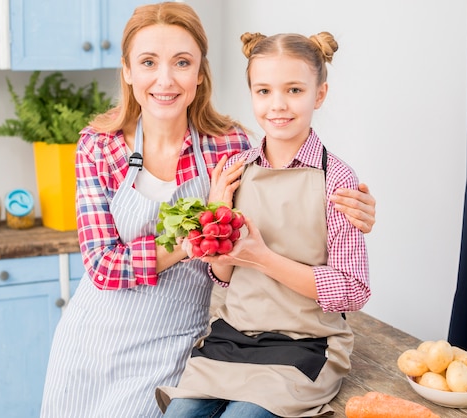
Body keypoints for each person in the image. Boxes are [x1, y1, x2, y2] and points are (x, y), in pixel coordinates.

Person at [40, 4, 376, 417]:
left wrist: (355, 210)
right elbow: (105, 267)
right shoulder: (98, 145)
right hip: (97, 336)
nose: (165, 79)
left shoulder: (231, 148)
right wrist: (204, 229)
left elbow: (282, 195)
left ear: (200, 72)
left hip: (182, 340)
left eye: (182, 62)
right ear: (127, 70)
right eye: (148, 62)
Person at [157, 31, 371, 418]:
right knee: (178, 413)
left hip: (305, 342)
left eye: (293, 90)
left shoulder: (337, 179)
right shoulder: (236, 171)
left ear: (319, 94)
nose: (278, 105)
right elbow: (222, 275)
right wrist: (216, 219)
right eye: (264, 91)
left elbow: (352, 291)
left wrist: (263, 258)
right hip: (235, 335)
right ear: (252, 94)